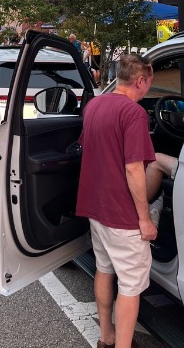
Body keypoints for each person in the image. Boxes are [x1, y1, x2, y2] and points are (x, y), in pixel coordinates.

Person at [75, 53, 161, 348]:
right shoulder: (134, 114)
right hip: (121, 215)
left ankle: (106, 338)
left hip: (95, 208)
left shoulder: (95, 105)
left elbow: (94, 151)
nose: (149, 88)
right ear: (140, 80)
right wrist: (145, 219)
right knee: (131, 285)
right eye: (150, 83)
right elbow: (134, 168)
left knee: (104, 269)